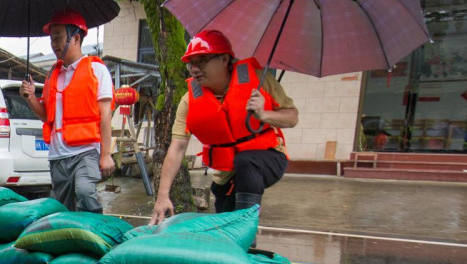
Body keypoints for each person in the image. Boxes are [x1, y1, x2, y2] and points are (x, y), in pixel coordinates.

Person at [149, 30, 299, 225]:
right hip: (226, 173)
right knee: (224, 221)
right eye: (190, 63)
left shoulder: (257, 79)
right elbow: (177, 148)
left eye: (202, 61)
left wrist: (264, 114)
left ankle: (246, 229)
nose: (194, 69)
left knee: (246, 161)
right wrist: (162, 196)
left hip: (267, 158)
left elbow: (292, 117)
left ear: (225, 59)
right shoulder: (189, 101)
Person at [19, 9, 115, 214]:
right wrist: (31, 98)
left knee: (86, 192)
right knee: (62, 209)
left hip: (86, 151)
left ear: (76, 38)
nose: (54, 45)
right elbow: (46, 115)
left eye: (59, 38)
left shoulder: (96, 70)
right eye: (51, 40)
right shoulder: (52, 75)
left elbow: (105, 115)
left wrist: (106, 154)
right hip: (57, 155)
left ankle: (96, 236)